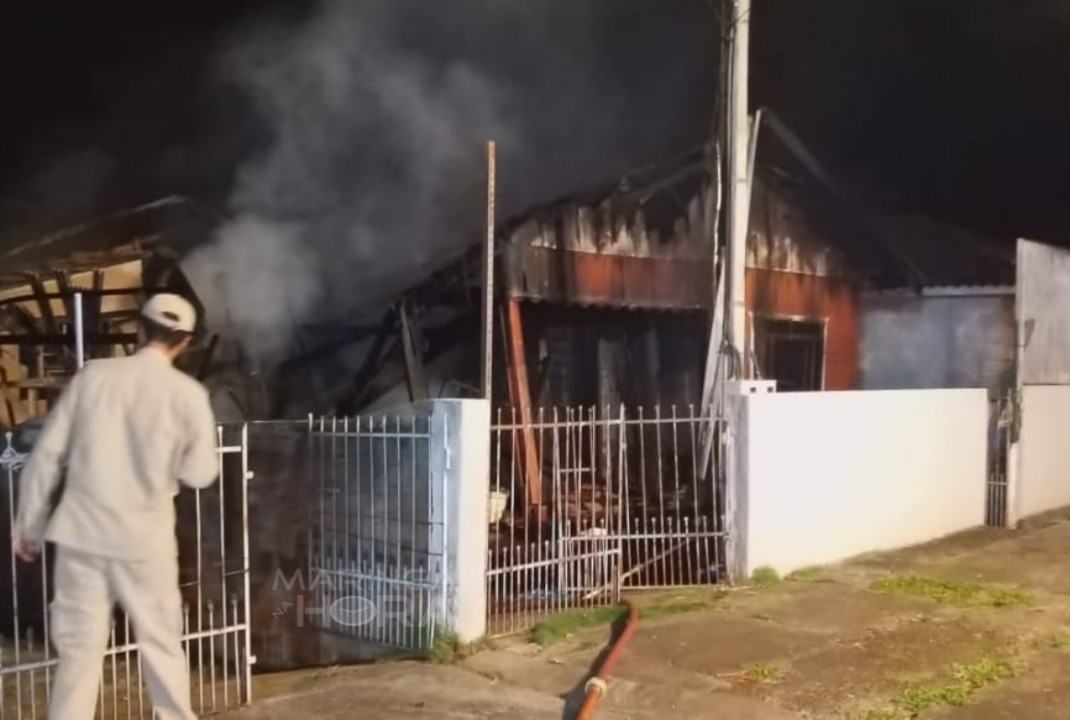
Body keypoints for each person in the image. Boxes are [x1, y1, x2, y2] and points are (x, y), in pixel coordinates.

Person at [12, 292, 219, 720]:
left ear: (140, 330)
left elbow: (47, 454)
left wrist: (29, 524)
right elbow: (201, 474)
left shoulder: (94, 378)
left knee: (79, 657)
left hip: (81, 537)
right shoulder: (187, 395)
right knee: (162, 650)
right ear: (183, 342)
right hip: (146, 542)